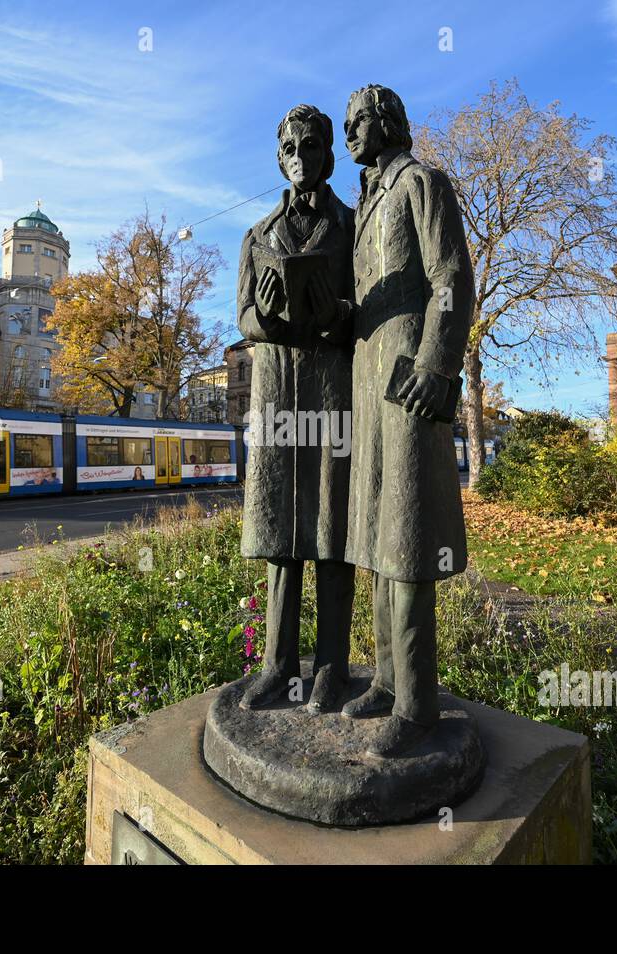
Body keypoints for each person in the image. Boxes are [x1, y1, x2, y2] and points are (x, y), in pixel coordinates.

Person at [340, 84, 475, 758]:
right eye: (344, 124)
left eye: (355, 121)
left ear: (386, 121)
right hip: (369, 386)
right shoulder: (365, 204)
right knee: (374, 534)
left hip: (409, 384)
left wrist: (436, 365)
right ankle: (388, 682)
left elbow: (451, 274)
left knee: (409, 538)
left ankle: (419, 705)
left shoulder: (421, 183)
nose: (347, 134)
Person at [236, 103, 356, 714]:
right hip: (277, 391)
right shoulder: (255, 237)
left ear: (329, 155)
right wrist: (264, 311)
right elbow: (242, 319)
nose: (302, 158)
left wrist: (335, 310)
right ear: (279, 158)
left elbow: (366, 311)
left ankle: (332, 669)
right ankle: (278, 666)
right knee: (280, 531)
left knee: (332, 530)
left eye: (312, 147)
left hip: (333, 388)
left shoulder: (353, 226)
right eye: (291, 148)